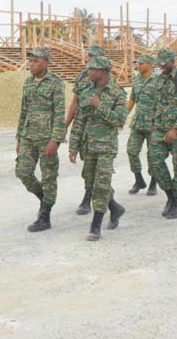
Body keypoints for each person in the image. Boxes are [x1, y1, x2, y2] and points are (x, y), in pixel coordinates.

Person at [68, 56, 127, 241]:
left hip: (106, 146)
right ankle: (115, 208)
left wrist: (99, 105)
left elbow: (120, 120)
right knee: (91, 183)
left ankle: (96, 226)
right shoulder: (86, 91)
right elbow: (80, 120)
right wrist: (74, 145)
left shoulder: (118, 93)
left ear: (102, 72)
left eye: (92, 70)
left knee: (101, 185)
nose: (89, 72)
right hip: (88, 146)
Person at [15, 47, 66, 232]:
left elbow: (60, 113)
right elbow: (24, 111)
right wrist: (19, 138)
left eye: (35, 60)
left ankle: (45, 216)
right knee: (22, 172)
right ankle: (45, 199)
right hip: (28, 136)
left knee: (49, 177)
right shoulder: (28, 82)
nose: (31, 64)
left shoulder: (55, 83)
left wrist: (56, 140)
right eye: (30, 60)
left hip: (47, 138)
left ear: (45, 62)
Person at [148, 48, 177, 220]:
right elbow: (156, 103)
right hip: (159, 129)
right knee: (155, 162)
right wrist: (153, 125)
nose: (162, 66)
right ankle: (170, 197)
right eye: (160, 63)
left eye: (165, 63)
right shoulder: (159, 79)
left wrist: (176, 129)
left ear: (173, 62)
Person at [66, 45, 106, 215]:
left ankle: (90, 198)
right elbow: (75, 102)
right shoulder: (82, 76)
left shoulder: (107, 79)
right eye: (88, 56)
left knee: (101, 168)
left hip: (100, 126)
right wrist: (65, 125)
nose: (88, 59)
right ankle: (92, 195)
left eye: (92, 57)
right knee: (87, 163)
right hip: (82, 123)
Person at [126, 54, 158, 195]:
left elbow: (163, 103)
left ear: (150, 64)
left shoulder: (158, 81)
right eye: (137, 63)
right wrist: (123, 116)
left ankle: (153, 183)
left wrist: (159, 123)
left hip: (153, 124)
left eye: (141, 63)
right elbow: (132, 99)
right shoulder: (136, 80)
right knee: (131, 151)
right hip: (138, 123)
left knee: (153, 155)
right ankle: (138, 179)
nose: (138, 65)